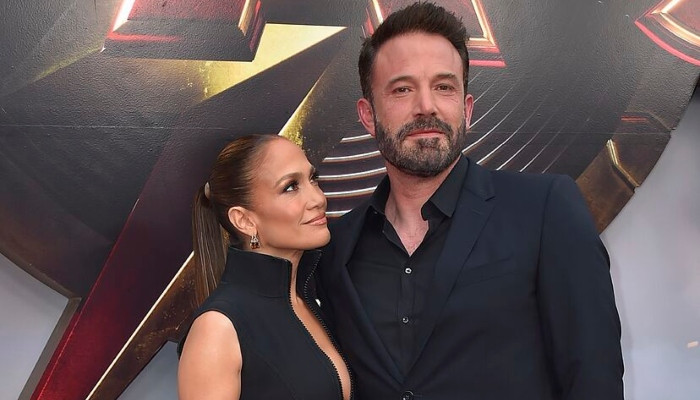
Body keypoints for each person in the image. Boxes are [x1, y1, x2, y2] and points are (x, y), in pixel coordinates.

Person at [317, 2, 623, 399]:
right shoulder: (338, 245)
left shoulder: (545, 210)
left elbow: (594, 376)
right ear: (367, 115)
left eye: (444, 87)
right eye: (402, 89)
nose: (426, 106)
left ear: (466, 109)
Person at [178, 135, 352, 400]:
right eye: (290, 187)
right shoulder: (217, 328)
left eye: (313, 179)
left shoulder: (307, 301)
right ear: (244, 221)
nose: (318, 198)